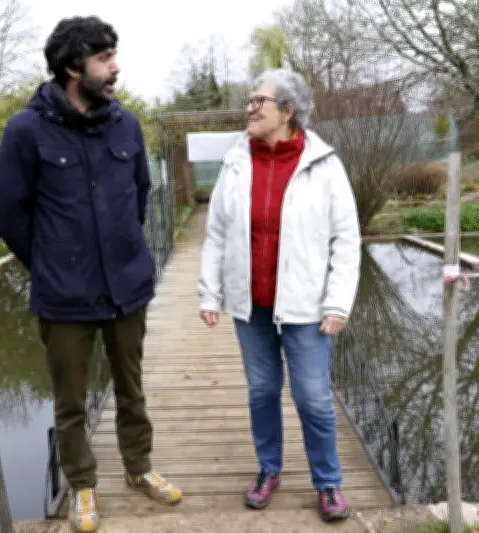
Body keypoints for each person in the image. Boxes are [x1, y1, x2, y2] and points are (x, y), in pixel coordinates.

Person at [0, 16, 181, 533]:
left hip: (127, 287)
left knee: (132, 390)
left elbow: (140, 195)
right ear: (74, 66)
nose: (115, 68)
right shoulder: (25, 131)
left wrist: (122, 254)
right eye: (104, 58)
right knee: (71, 402)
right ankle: (83, 487)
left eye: (114, 55)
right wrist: (54, 266)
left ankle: (140, 469)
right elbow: (11, 216)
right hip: (64, 297)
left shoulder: (127, 125)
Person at [198, 68, 361, 522]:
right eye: (249, 101)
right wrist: (210, 294)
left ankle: (328, 483)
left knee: (313, 397)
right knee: (262, 391)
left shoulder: (324, 164)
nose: (249, 108)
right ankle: (269, 469)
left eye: (259, 102)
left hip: (306, 307)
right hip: (251, 304)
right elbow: (216, 234)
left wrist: (337, 304)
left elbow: (346, 241)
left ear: (287, 111)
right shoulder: (236, 161)